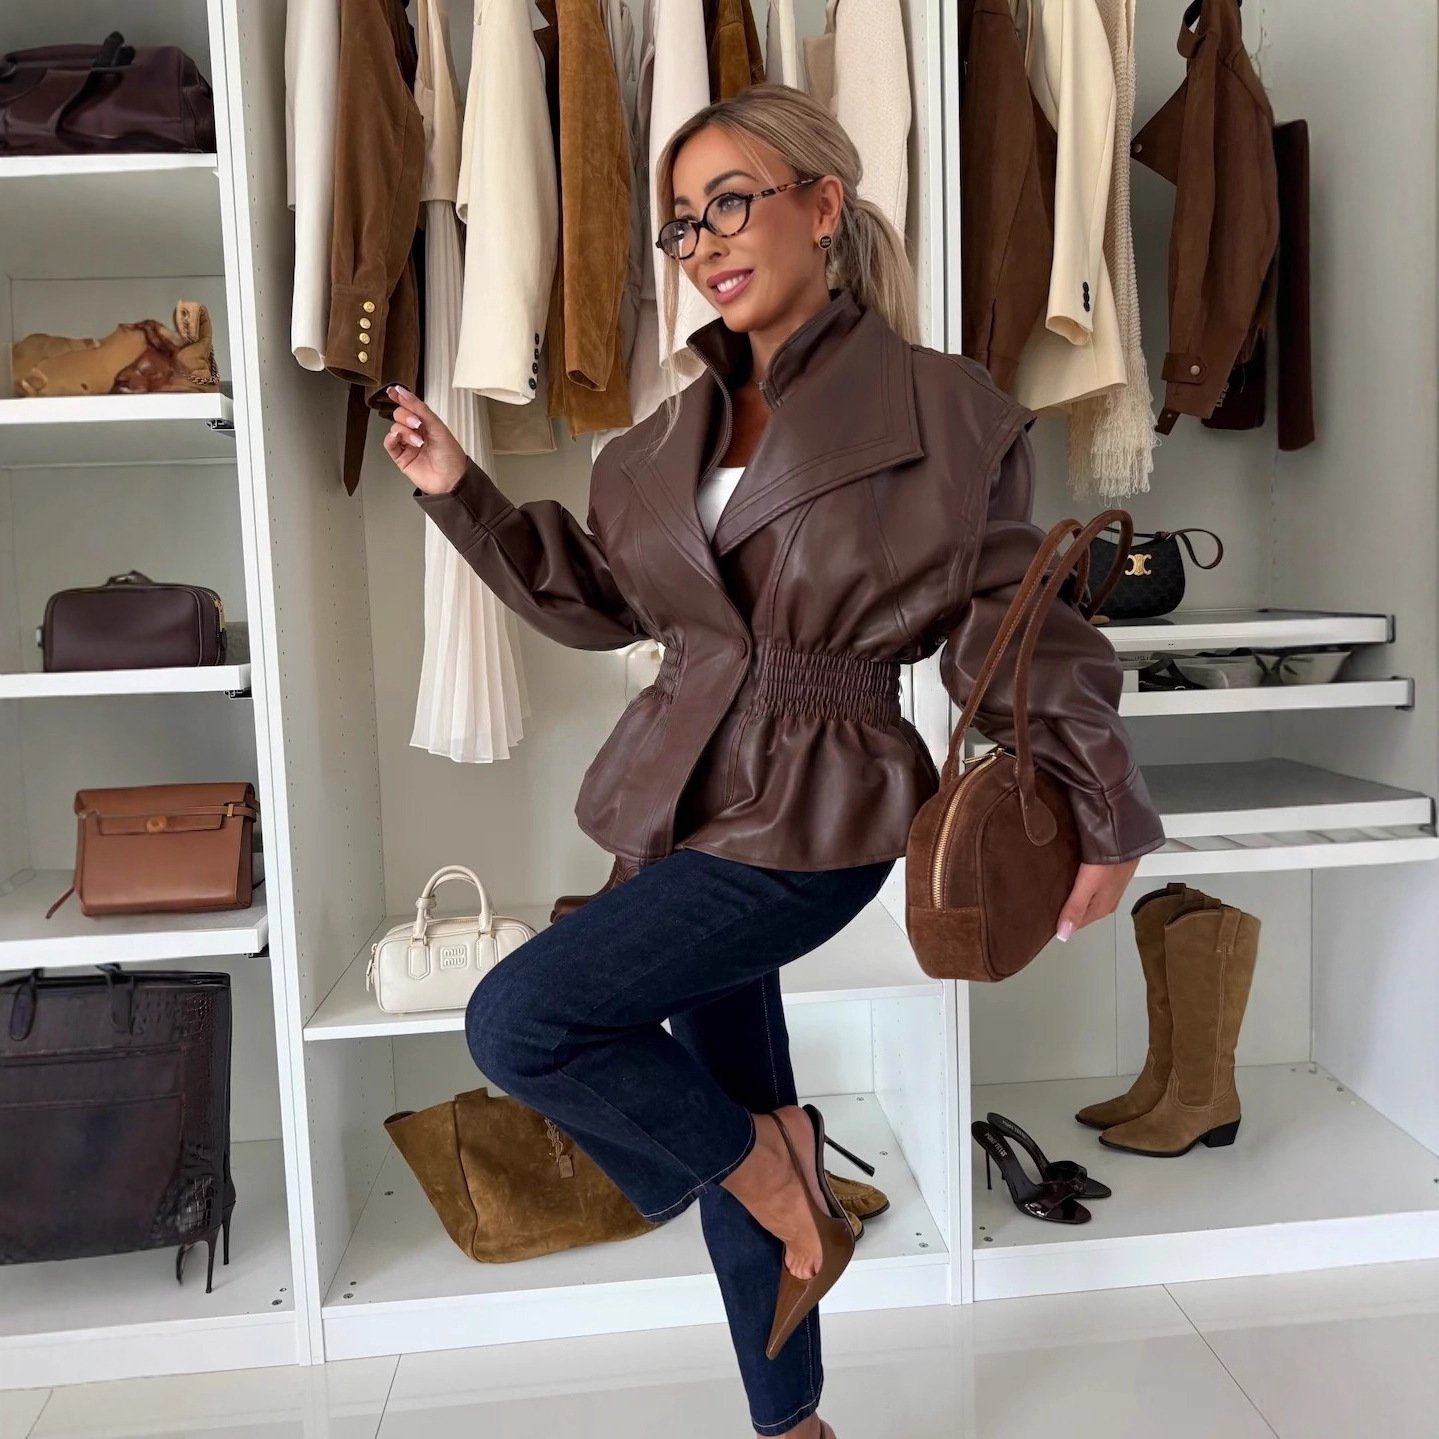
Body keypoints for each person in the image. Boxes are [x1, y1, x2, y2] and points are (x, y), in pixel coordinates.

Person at [383, 82, 1164, 1439]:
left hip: (821, 807)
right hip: (673, 800)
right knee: (727, 1093)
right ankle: (791, 1418)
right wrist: (468, 495)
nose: (706, 242)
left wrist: (1109, 808)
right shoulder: (661, 437)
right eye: (683, 223)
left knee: (522, 1023)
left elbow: (1012, 629)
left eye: (732, 202)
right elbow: (605, 603)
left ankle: (774, 1163)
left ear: (824, 206)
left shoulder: (946, 410)